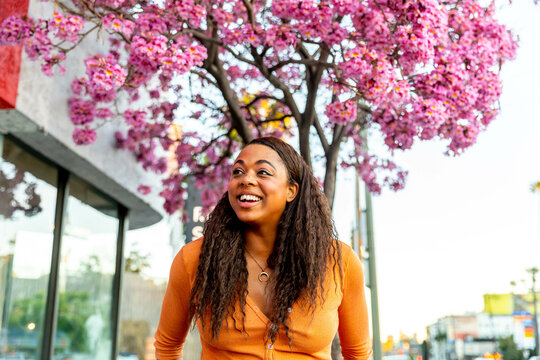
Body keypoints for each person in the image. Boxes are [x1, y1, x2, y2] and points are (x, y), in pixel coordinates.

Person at [154, 137, 372, 360]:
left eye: (263, 172)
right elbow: (167, 347)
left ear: (291, 191)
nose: (246, 179)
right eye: (238, 171)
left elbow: (358, 354)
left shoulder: (340, 262)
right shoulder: (194, 259)